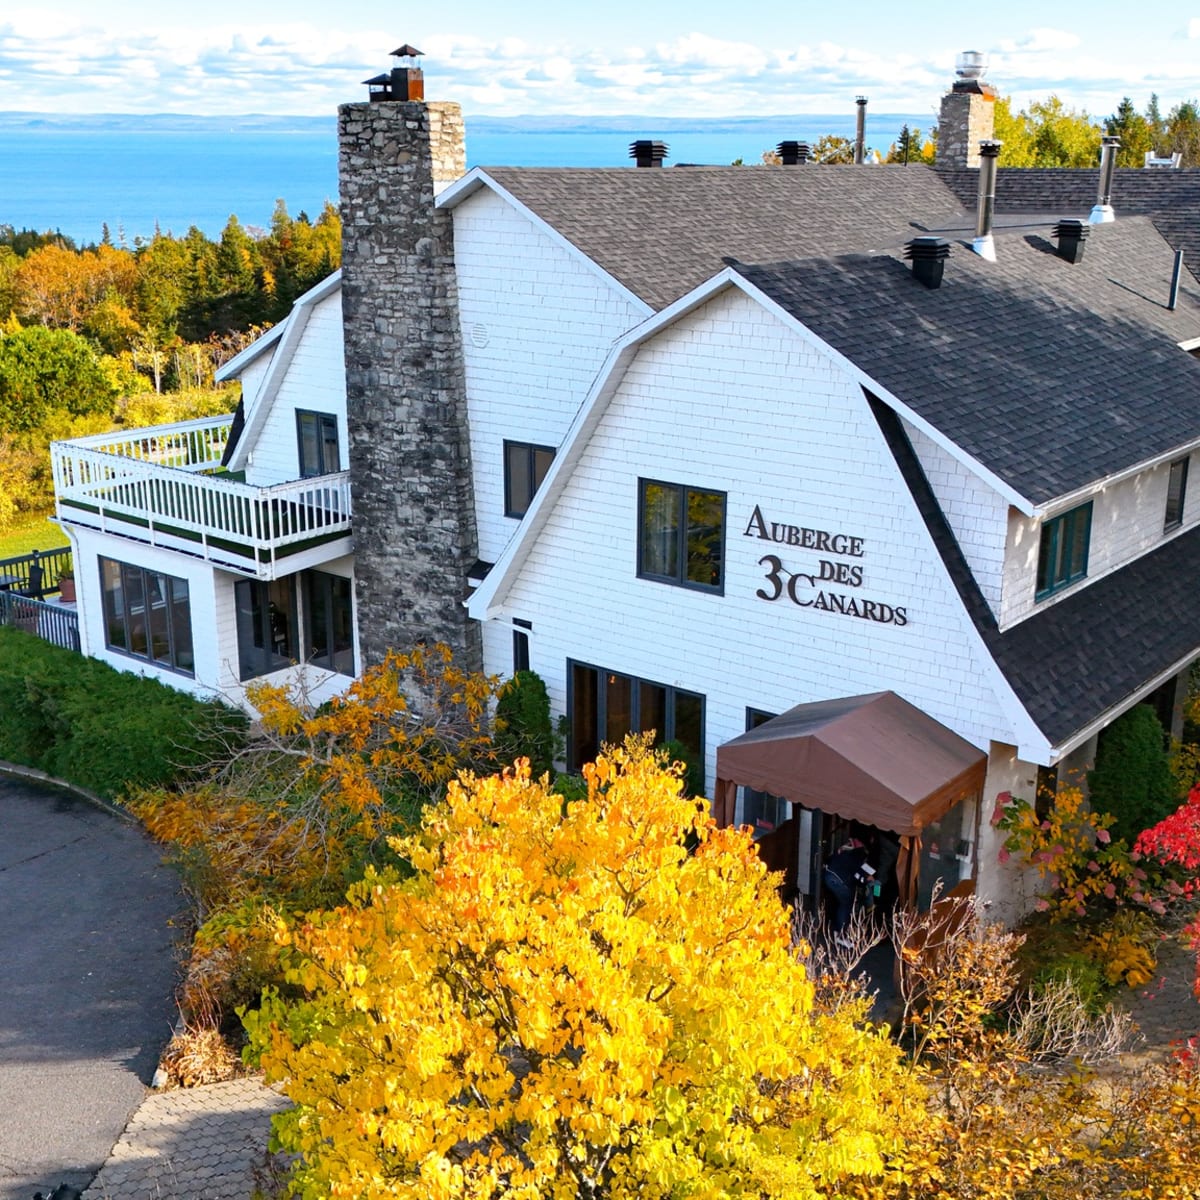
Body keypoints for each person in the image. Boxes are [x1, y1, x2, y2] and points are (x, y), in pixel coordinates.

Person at [823, 837, 874, 945]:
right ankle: (841, 935)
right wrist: (866, 879)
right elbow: (857, 874)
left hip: (828, 875)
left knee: (842, 903)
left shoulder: (843, 851)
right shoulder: (859, 854)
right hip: (839, 879)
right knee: (846, 904)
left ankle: (838, 932)